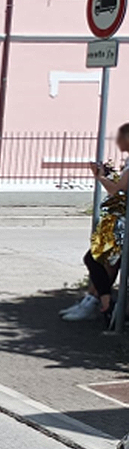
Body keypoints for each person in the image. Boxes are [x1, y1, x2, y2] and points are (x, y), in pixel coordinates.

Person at [65, 123, 129, 322]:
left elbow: (118, 190)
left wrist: (100, 177)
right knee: (105, 262)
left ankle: (104, 303)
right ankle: (98, 302)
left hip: (123, 225)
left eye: (121, 137)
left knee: (96, 259)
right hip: (118, 221)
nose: (117, 141)